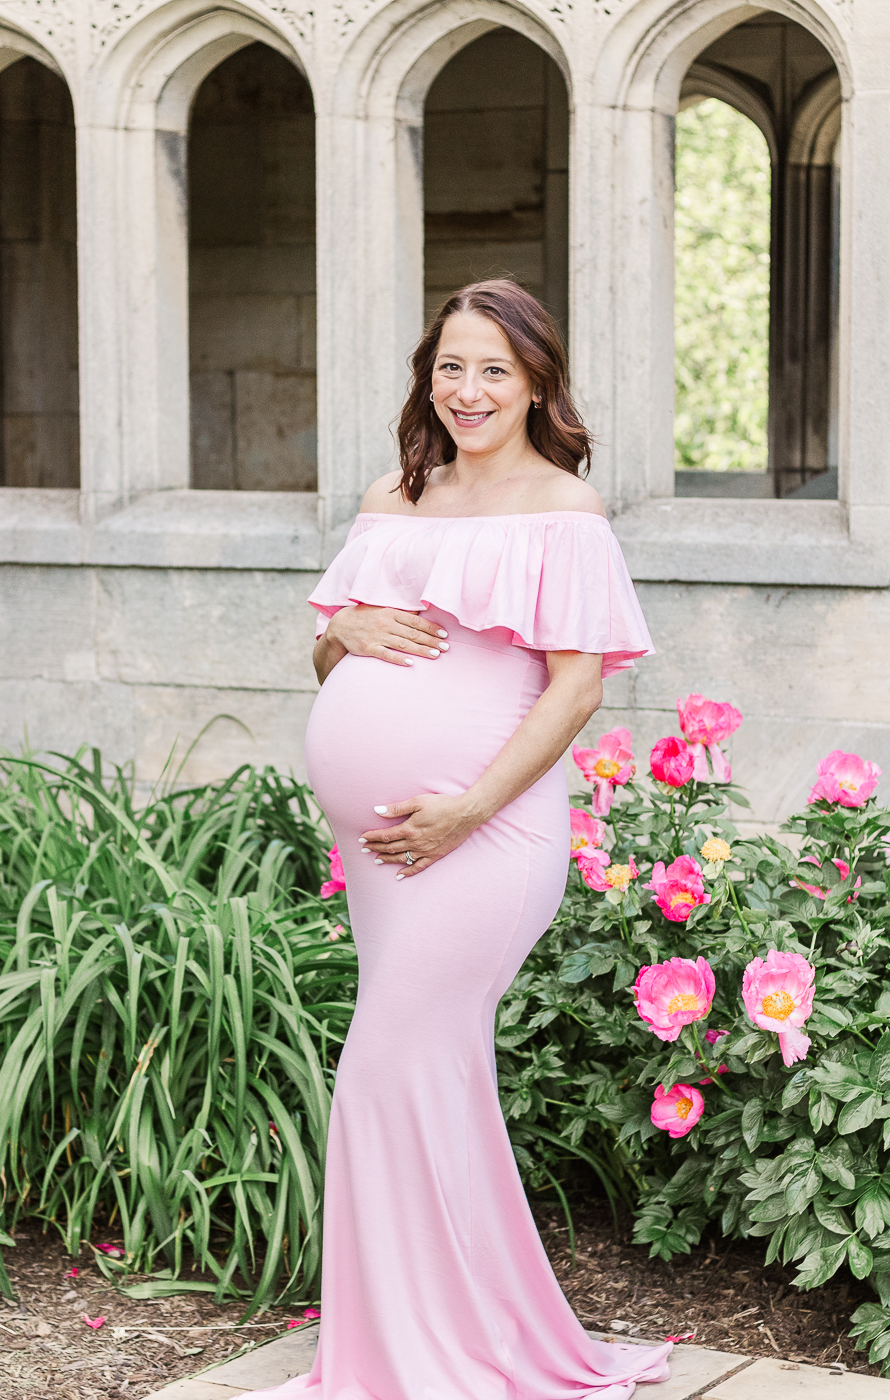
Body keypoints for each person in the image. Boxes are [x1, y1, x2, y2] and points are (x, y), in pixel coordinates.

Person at [232, 281, 672, 1400]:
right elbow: (334, 653)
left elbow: (576, 693)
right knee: (431, 1077)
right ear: (428, 376)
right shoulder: (397, 492)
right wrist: (344, 636)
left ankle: (415, 1352)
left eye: (493, 371)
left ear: (534, 384)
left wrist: (467, 807)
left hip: (485, 836)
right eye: (450, 367)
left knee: (383, 1067)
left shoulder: (566, 508)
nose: (467, 390)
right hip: (389, 857)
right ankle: (433, 1336)